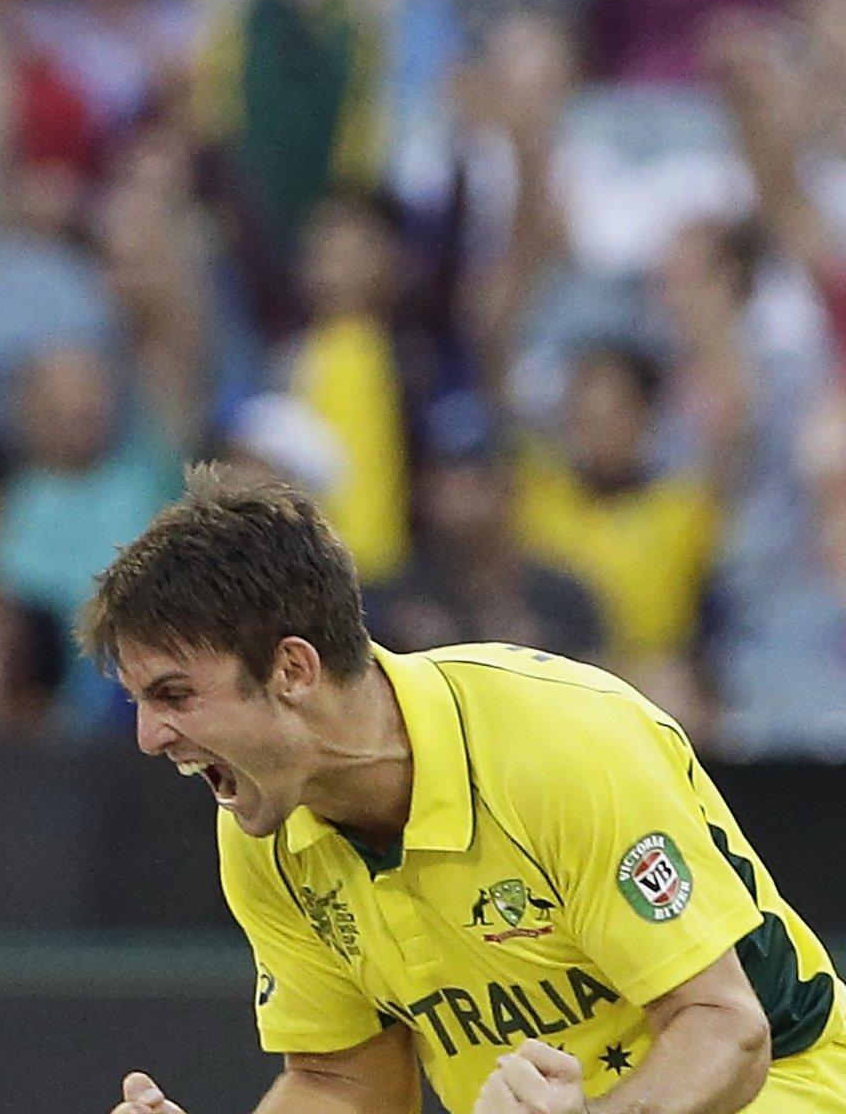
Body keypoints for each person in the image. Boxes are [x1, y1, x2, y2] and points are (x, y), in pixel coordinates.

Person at [81, 466, 846, 1114]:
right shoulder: (266, 824)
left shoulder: (555, 746)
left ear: (292, 670)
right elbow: (345, 1082)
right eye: (139, 703)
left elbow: (729, 1030)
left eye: (175, 695)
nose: (149, 738)